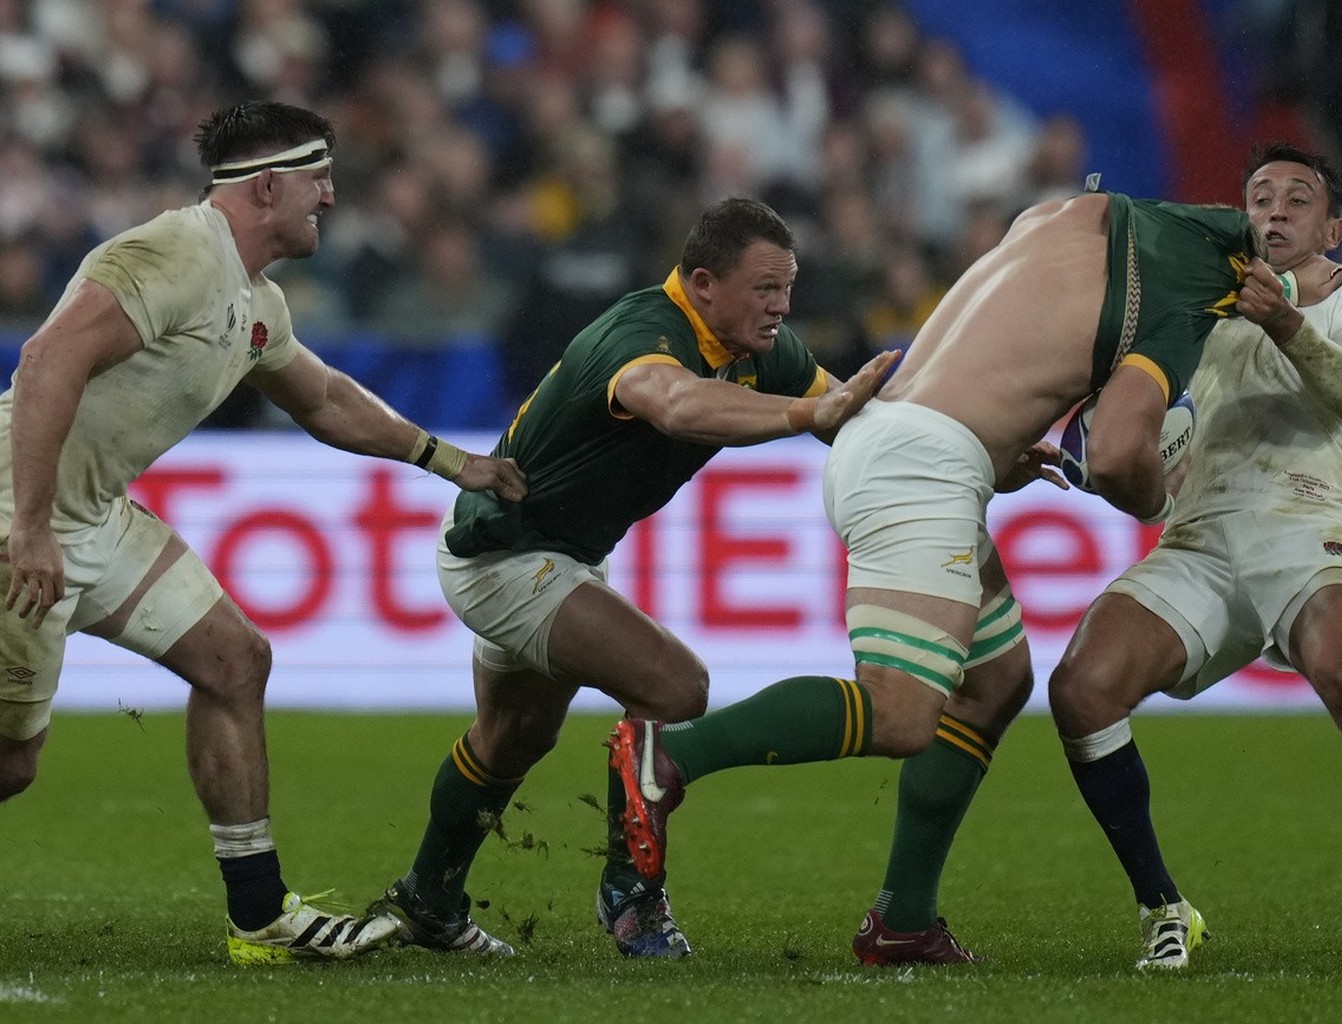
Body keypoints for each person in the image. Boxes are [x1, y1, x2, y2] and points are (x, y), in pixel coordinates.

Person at [607, 181, 1265, 964]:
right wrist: (1163, 496)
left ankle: (905, 921)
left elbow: (1004, 353)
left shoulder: (1073, 217)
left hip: (905, 437)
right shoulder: (1194, 285)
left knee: (994, 683)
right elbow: (1123, 455)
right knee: (902, 713)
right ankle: (672, 758)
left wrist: (998, 442)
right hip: (920, 466)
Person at [0, 100, 527, 966]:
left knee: (234, 659)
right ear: (267, 185)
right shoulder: (174, 252)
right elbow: (46, 358)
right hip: (20, 513)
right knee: (12, 767)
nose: (329, 196)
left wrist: (446, 460)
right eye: (317, 178)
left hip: (90, 514)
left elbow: (322, 399)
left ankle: (259, 915)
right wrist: (27, 526)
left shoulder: (256, 300)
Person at [369, 197, 899, 959]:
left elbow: (854, 415)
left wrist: (985, 449)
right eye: (765, 288)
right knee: (674, 687)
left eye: (787, 288)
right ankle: (632, 895)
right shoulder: (642, 333)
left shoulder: (757, 346)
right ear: (705, 282)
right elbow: (677, 404)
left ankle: (428, 899)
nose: (781, 306)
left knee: (512, 737)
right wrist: (800, 419)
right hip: (506, 555)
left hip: (556, 552)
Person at [1046, 143, 1342, 973]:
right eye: (1260, 196)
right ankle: (1163, 906)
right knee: (1080, 689)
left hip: (1305, 521)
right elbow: (1151, 434)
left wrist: (1285, 319)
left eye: (1299, 199)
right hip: (1199, 538)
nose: (1276, 210)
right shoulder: (1198, 301)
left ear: (1332, 227)